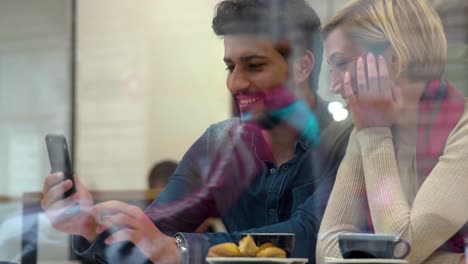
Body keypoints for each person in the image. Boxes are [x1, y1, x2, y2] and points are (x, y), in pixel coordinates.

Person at [41, 0, 352, 263]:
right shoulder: (219, 144)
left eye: (254, 66)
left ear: (302, 67)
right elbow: (153, 234)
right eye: (230, 67)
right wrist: (89, 228)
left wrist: (180, 249)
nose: (235, 83)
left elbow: (311, 235)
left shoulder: (349, 142)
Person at [315, 0, 468, 263]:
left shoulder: (461, 129)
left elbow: (398, 252)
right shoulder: (367, 125)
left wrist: (375, 135)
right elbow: (327, 249)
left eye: (341, 64)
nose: (335, 86)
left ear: (394, 59)